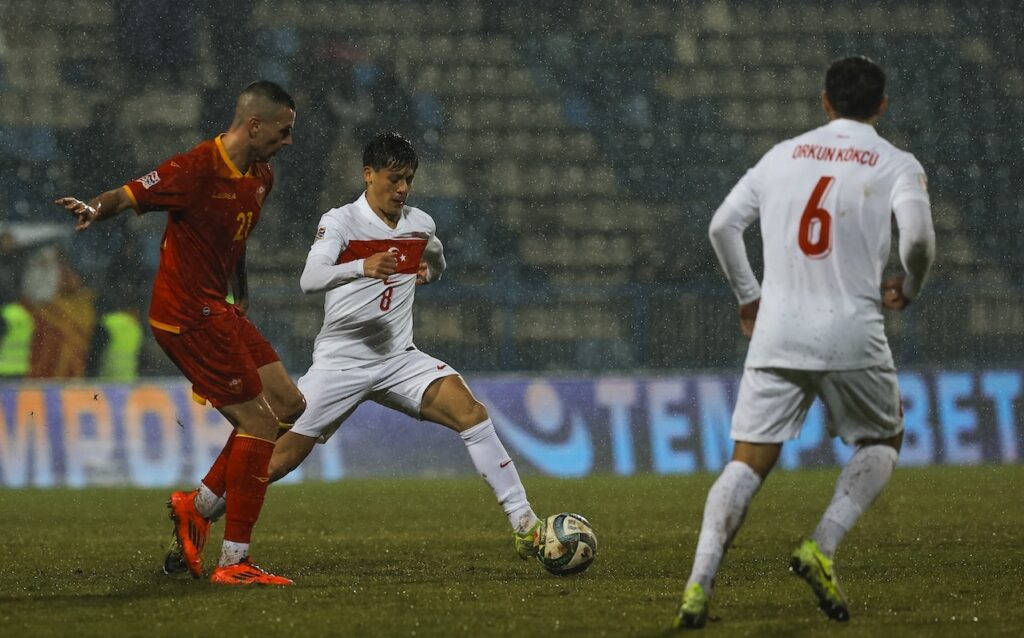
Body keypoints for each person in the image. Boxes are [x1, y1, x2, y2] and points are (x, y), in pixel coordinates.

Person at [166, 131, 547, 566]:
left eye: (409, 179)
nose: (402, 189)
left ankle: (525, 525)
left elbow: (436, 258)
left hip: (400, 358)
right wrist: (359, 267)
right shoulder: (342, 220)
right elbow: (310, 279)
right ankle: (198, 515)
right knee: (275, 462)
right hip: (340, 364)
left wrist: (429, 272)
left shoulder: (419, 225)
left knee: (471, 413)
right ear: (368, 174)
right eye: (394, 178)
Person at [673, 56, 936, 629]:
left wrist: (749, 294)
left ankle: (697, 587)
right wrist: (910, 284)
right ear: (882, 105)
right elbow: (916, 238)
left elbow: (722, 226)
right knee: (884, 437)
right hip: (852, 328)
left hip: (779, 328)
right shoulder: (896, 162)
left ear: (825, 101)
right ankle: (821, 544)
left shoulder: (783, 155)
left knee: (748, 461)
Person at [55, 80, 306, 586]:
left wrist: (241, 292)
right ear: (254, 124)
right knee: (259, 422)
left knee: (290, 405)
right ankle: (234, 563)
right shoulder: (196, 167)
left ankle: (199, 506)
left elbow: (234, 241)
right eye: (284, 130)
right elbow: (128, 194)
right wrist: (92, 209)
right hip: (186, 314)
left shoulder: (262, 176)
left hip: (220, 308)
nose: (289, 141)